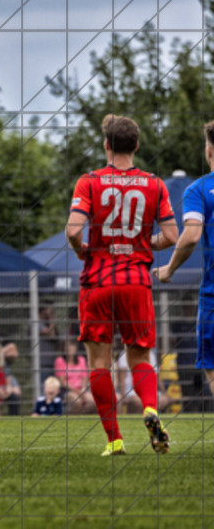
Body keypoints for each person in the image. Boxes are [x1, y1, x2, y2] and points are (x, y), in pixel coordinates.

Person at [67, 113, 177, 456]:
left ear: (106, 145)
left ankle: (114, 441)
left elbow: (73, 230)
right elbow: (172, 235)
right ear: (137, 145)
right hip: (135, 280)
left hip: (98, 281)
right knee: (140, 355)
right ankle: (150, 408)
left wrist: (82, 249)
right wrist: (146, 244)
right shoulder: (155, 184)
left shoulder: (89, 182)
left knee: (99, 362)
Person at [154, 119, 214, 416]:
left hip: (213, 294)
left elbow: (190, 235)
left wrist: (168, 269)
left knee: (213, 369)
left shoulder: (199, 189)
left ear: (208, 151)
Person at [54, 338, 95, 414]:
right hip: (67, 390)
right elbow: (63, 382)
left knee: (93, 401)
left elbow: (84, 378)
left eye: (72, 346)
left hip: (81, 390)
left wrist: (83, 389)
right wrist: (78, 392)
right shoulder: (60, 360)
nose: (69, 349)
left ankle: (84, 421)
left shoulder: (81, 359)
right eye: (67, 347)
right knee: (77, 401)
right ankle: (73, 420)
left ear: (76, 347)